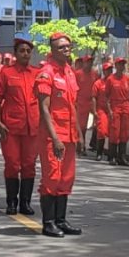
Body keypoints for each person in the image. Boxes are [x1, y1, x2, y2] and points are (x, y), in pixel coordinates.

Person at [34, 33, 82, 237]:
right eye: (61, 47)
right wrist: (55, 138)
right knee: (52, 177)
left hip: (69, 134)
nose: (66, 49)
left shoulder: (69, 72)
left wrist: (79, 132)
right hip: (52, 135)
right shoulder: (46, 73)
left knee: (66, 178)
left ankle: (61, 220)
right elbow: (44, 109)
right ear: (52, 51)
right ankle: (49, 222)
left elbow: (72, 106)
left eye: (68, 46)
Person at [0, 37, 41, 215]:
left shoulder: (37, 73)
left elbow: (44, 101)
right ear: (15, 53)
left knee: (29, 165)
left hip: (32, 127)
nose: (25, 54)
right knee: (12, 164)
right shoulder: (6, 73)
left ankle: (25, 203)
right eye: (22, 50)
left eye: (28, 51)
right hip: (10, 127)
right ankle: (11, 202)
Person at [104, 57, 129, 166]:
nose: (122, 66)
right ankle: (112, 156)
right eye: (120, 64)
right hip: (115, 107)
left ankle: (122, 157)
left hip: (125, 107)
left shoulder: (127, 79)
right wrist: (110, 110)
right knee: (114, 132)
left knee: (124, 133)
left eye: (123, 64)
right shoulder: (110, 79)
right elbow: (106, 97)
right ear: (116, 66)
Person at [74, 56, 97, 157]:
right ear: (83, 63)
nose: (90, 64)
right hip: (80, 102)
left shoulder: (95, 74)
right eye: (88, 62)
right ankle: (81, 146)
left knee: (98, 123)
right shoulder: (78, 74)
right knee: (82, 126)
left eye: (91, 62)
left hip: (92, 101)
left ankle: (94, 144)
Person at [91, 61, 112, 161]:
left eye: (110, 70)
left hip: (112, 109)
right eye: (107, 70)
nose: (109, 71)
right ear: (104, 71)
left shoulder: (114, 81)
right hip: (102, 109)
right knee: (102, 131)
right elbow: (94, 97)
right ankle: (99, 152)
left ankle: (112, 154)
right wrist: (95, 111)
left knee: (113, 132)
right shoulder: (98, 83)